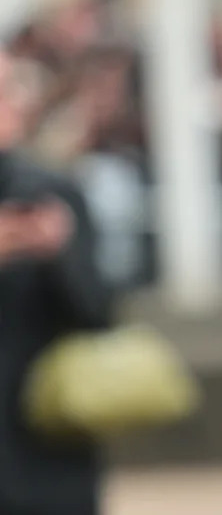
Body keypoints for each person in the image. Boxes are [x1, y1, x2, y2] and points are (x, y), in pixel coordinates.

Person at [0, 50, 113, 515]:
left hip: (42, 433)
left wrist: (56, 252)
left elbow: (97, 311)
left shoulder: (50, 190)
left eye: (10, 90)